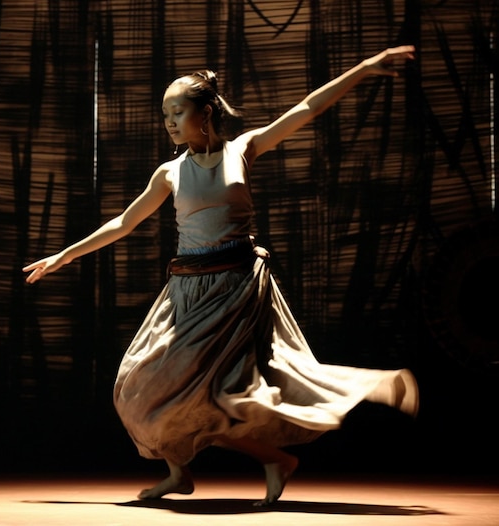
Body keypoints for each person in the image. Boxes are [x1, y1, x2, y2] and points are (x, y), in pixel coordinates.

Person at [23, 45, 419, 506]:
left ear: (205, 112)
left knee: (230, 396)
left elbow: (308, 108)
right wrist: (65, 256)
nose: (169, 121)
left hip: (236, 290)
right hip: (187, 292)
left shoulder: (242, 150)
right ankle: (194, 470)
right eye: (165, 113)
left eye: (178, 111)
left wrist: (367, 68)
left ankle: (343, 408)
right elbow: (123, 223)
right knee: (140, 389)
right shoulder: (169, 173)